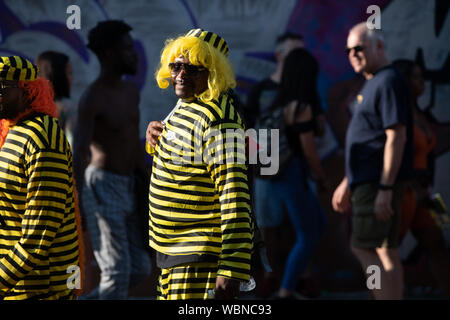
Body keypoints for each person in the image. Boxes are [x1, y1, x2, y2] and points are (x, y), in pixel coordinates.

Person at [145, 28, 253, 300]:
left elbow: (234, 194)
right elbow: (183, 162)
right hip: (172, 255)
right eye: (176, 66)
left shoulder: (218, 118)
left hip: (198, 259)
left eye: (193, 69)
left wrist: (231, 268)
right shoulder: (187, 104)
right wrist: (153, 138)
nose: (181, 75)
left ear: (214, 72)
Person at [332, 22, 413, 300]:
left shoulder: (388, 81)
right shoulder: (373, 82)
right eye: (348, 50)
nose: (352, 54)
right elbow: (369, 139)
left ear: (379, 47)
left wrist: (385, 188)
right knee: (383, 249)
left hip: (377, 183)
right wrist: (348, 181)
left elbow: (395, 137)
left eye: (359, 48)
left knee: (365, 247)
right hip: (367, 182)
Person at [73, 20, 151, 300]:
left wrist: (148, 183)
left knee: (140, 268)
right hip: (102, 188)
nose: (134, 54)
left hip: (131, 185)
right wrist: (79, 199)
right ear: (108, 53)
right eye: (127, 49)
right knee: (116, 272)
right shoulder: (93, 97)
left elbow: (132, 143)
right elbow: (80, 149)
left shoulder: (131, 93)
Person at [249, 48, 329, 299]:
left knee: (317, 225)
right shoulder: (300, 107)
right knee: (307, 235)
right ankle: (286, 291)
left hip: (273, 173)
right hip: (291, 173)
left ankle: (285, 286)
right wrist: (322, 177)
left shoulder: (276, 103)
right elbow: (310, 150)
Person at [0, 55, 80, 300]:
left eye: (2, 87)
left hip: (41, 287)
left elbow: (39, 234)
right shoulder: (14, 129)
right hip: (16, 284)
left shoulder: (43, 138)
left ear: (28, 91)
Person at [393, 58, 450, 299]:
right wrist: (409, 184)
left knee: (438, 243)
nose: (422, 82)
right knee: (388, 253)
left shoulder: (419, 111)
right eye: (416, 77)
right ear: (404, 82)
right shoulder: (396, 113)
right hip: (404, 192)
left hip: (425, 193)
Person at [35, 51, 76, 146]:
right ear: (57, 75)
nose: (72, 78)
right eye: (69, 73)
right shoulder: (67, 107)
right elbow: (73, 144)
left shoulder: (27, 105)